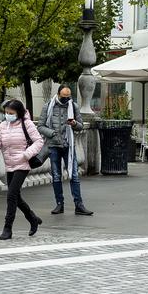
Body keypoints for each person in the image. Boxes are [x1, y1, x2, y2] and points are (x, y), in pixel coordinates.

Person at [0, 99, 44, 240]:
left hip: (23, 164)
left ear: (18, 113)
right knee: (16, 197)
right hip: (9, 165)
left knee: (11, 195)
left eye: (11, 113)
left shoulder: (27, 124)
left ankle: (7, 228)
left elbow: (39, 141)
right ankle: (32, 218)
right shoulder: (3, 126)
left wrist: (26, 154)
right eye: (6, 113)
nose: (8, 115)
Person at [38, 84, 94, 216]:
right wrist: (51, 133)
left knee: (74, 175)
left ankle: (79, 205)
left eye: (68, 97)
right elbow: (40, 126)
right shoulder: (48, 106)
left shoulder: (73, 106)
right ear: (58, 95)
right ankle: (59, 204)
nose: (66, 99)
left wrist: (74, 124)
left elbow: (80, 126)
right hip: (53, 146)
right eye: (63, 97)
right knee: (56, 176)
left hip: (69, 145)